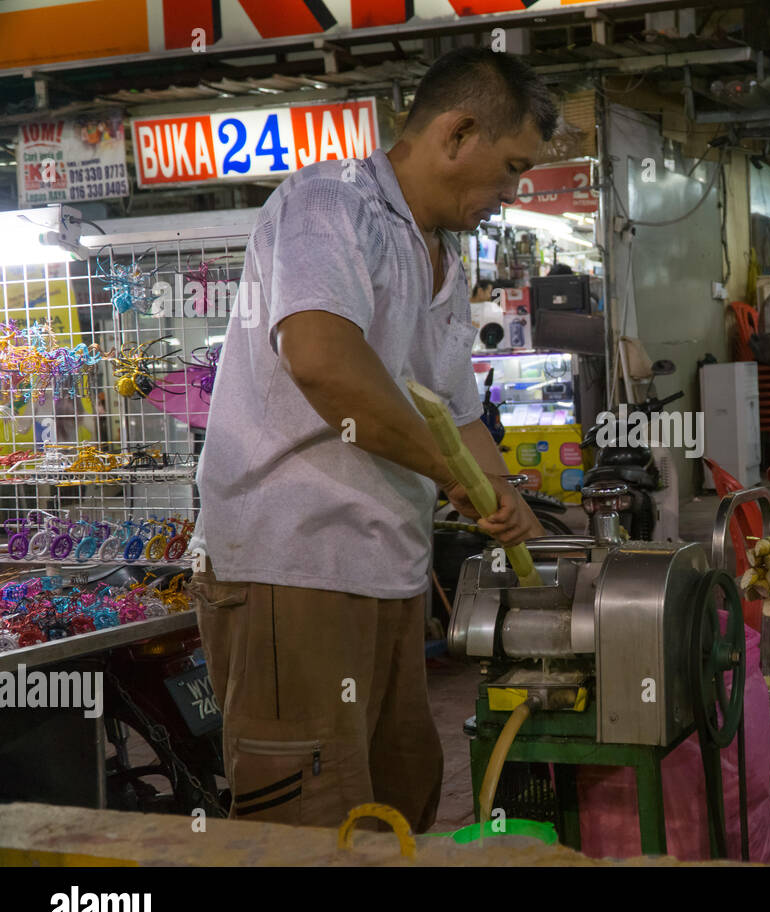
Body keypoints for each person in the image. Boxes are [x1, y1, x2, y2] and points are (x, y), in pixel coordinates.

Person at [190, 48, 557, 831]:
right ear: (457, 134)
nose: (511, 193)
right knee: (315, 819)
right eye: (510, 168)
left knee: (398, 799)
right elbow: (323, 359)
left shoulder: (446, 262)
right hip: (296, 562)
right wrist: (452, 476)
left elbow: (455, 414)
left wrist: (509, 500)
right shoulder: (331, 206)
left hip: (386, 569)